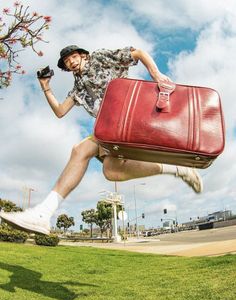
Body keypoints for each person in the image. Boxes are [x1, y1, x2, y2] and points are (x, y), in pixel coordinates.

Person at [0, 45, 203, 234]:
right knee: (111, 171)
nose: (70, 62)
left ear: (83, 55)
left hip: (127, 119)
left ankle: (43, 213)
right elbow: (61, 111)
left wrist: (157, 75)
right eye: (66, 61)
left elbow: (138, 53)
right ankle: (179, 169)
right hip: (108, 130)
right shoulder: (78, 88)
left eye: (72, 56)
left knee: (80, 150)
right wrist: (46, 87)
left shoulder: (99, 58)